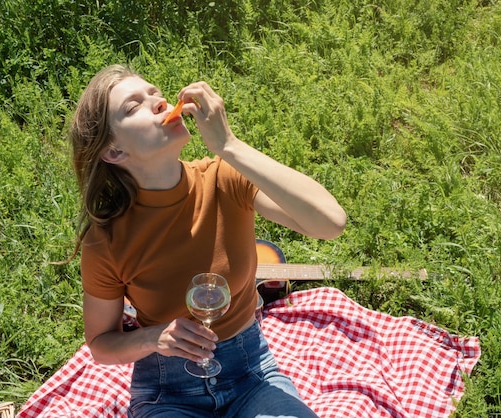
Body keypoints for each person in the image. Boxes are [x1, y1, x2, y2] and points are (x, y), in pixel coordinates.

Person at [68, 63, 346, 418]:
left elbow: (331, 222)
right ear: (114, 152)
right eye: (133, 106)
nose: (156, 101)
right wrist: (153, 338)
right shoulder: (106, 240)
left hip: (251, 374)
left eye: (154, 92)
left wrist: (229, 146)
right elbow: (101, 345)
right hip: (166, 391)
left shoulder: (225, 178)